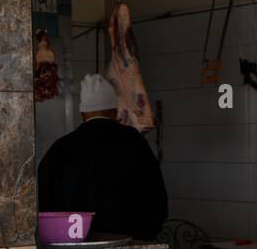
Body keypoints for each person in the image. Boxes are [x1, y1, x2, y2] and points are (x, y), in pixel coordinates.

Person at [38, 74, 168, 240]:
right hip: (131, 243)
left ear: (83, 114)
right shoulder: (135, 143)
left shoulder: (62, 148)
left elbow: (43, 203)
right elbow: (157, 199)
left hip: (76, 247)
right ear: (115, 112)